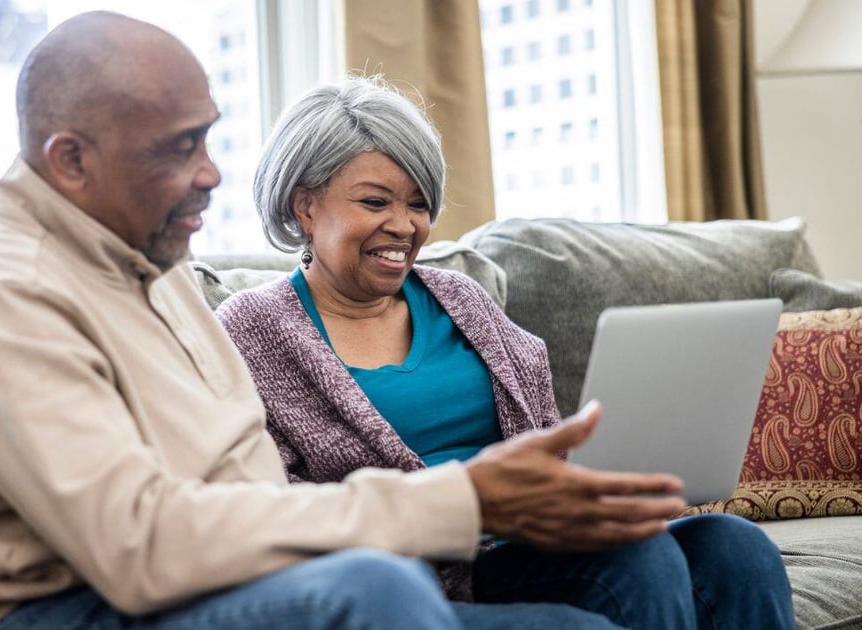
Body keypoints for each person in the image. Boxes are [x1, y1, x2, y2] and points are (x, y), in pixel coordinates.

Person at [0, 11, 698, 630]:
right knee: (372, 585)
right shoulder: (3, 292)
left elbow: (233, 481)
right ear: (70, 159)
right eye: (179, 149)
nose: (211, 174)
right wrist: (459, 503)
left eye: (208, 139)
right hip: (55, 609)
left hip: (211, 574)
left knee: (699, 558)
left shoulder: (147, 257)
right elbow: (136, 546)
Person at [215, 75, 796, 629]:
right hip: (416, 574)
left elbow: (547, 439)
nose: (403, 226)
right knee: (642, 562)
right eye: (375, 202)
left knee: (733, 546)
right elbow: (272, 508)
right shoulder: (252, 329)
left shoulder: (460, 299)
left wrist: (596, 489)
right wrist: (461, 509)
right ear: (305, 206)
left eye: (418, 204)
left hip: (532, 546)